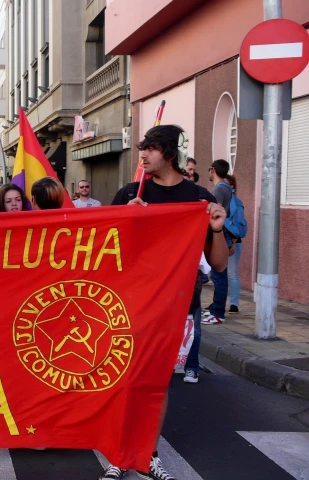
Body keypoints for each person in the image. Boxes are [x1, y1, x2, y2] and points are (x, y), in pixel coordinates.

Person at [102, 125, 227, 480]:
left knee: (157, 384)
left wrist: (216, 228)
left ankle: (148, 453)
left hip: (177, 308)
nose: (143, 155)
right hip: (129, 308)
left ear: (169, 154)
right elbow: (104, 253)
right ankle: (120, 454)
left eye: (151, 149)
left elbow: (218, 264)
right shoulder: (130, 192)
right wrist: (125, 221)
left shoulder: (197, 198)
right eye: (143, 148)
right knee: (124, 382)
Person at [203, 159, 232, 325]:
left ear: (213, 170)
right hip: (225, 234)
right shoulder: (227, 187)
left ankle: (218, 312)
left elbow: (216, 212)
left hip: (219, 234)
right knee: (219, 276)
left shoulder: (220, 188)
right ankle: (216, 307)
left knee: (219, 276)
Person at [225, 174, 243, 314]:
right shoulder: (222, 200)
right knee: (220, 275)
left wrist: (233, 243)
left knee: (232, 273)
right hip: (222, 241)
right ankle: (219, 303)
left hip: (232, 241)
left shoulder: (235, 202)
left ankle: (234, 304)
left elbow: (239, 224)